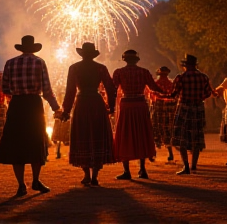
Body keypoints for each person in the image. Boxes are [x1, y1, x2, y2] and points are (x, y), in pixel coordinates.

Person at [0, 35, 61, 197]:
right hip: (34, 105)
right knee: (36, 142)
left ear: (21, 48)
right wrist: (56, 108)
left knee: (17, 144)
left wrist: (17, 94)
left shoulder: (10, 63)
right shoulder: (39, 62)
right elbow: (47, 90)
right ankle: (36, 181)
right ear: (34, 48)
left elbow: (4, 88)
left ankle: (21, 185)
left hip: (16, 105)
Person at [60, 42, 116, 186]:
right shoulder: (101, 68)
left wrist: (66, 110)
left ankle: (86, 175)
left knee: (82, 135)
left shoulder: (74, 68)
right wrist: (112, 106)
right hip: (97, 102)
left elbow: (70, 91)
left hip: (82, 103)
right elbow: (110, 89)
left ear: (82, 54)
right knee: (97, 134)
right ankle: (95, 176)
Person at [113, 50, 163, 180]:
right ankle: (142, 169)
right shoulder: (144, 72)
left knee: (125, 135)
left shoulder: (119, 72)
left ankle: (126, 171)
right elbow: (153, 87)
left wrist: (109, 105)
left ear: (124, 59)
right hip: (140, 104)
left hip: (127, 105)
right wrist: (169, 93)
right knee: (141, 134)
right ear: (137, 60)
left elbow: (113, 89)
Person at [163, 54, 215, 175]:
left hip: (184, 108)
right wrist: (199, 98)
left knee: (181, 138)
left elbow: (174, 93)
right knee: (196, 136)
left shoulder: (181, 77)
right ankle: (194, 165)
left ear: (185, 66)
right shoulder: (204, 77)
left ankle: (186, 166)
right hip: (198, 108)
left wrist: (163, 96)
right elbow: (208, 93)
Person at [150, 66, 176, 161]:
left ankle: (153, 153)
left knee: (155, 129)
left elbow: (152, 97)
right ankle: (170, 153)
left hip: (158, 107)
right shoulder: (171, 84)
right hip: (168, 108)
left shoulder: (155, 84)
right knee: (167, 130)